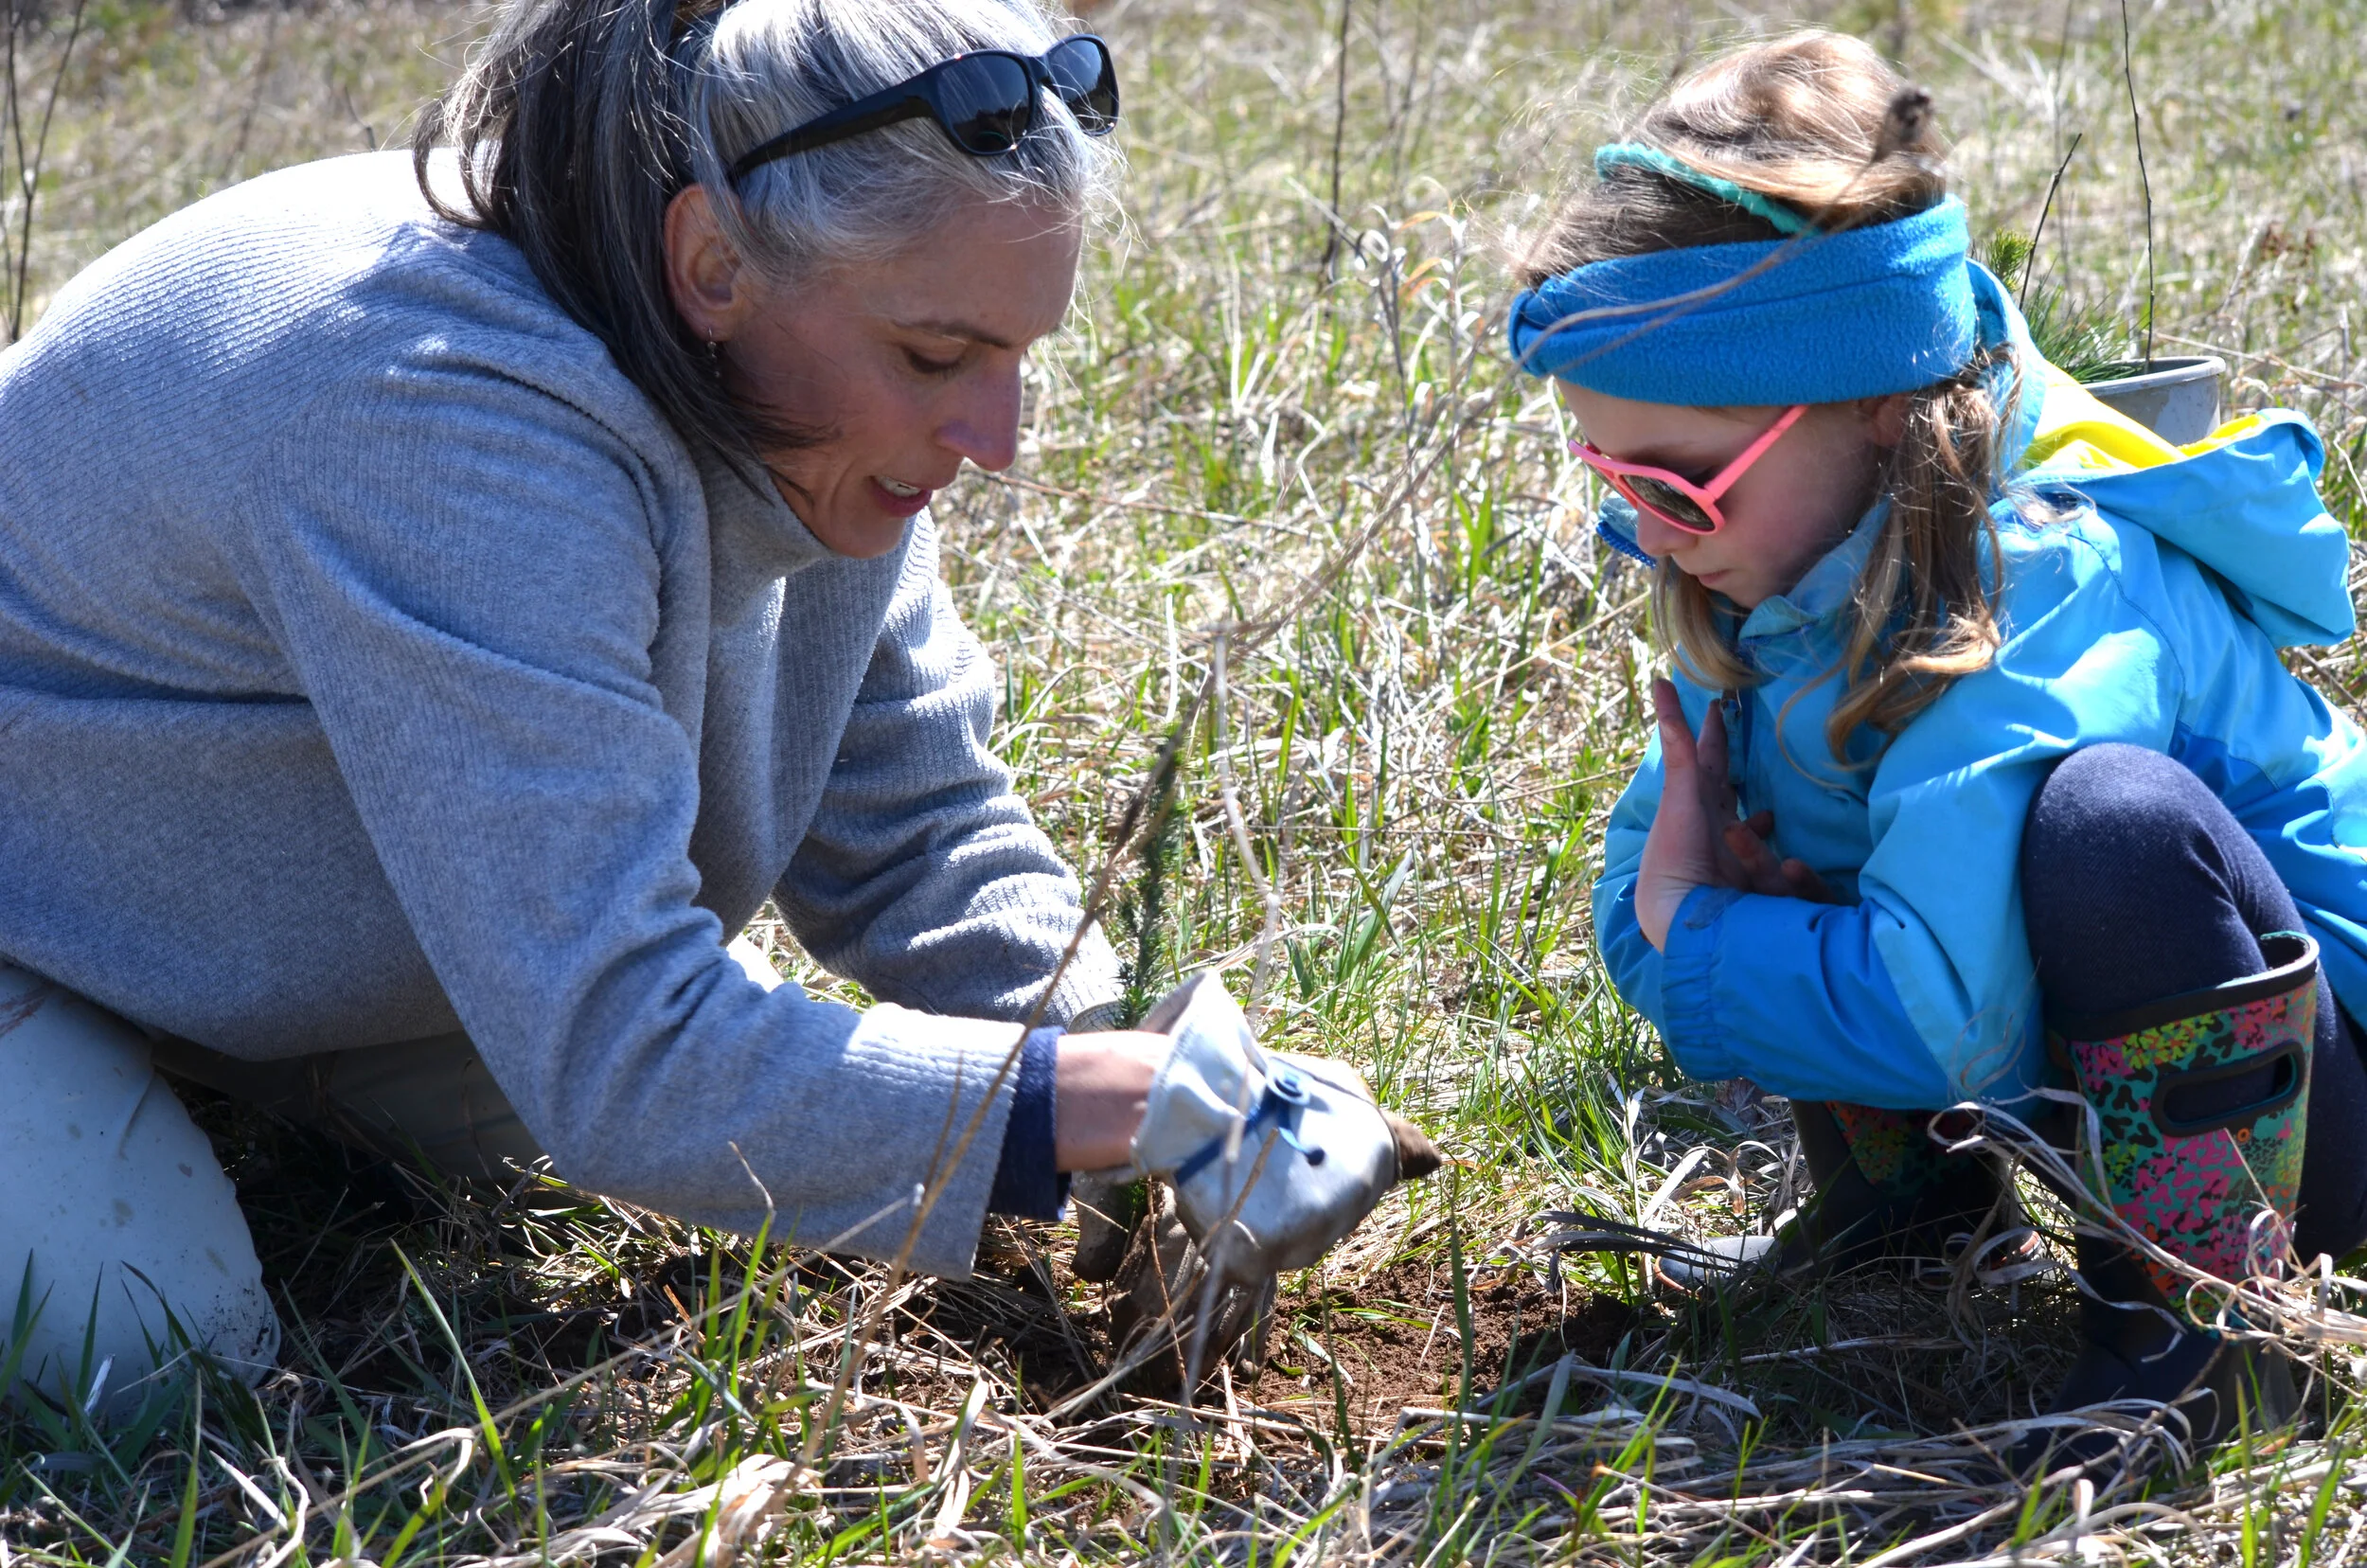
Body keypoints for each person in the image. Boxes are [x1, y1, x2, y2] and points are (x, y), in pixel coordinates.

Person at [0, 0, 1419, 1417]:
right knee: (153, 1369)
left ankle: (196, 1085)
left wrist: (1134, 1060)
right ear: (709, 260)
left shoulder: (783, 394)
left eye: (1014, 356)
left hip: (217, 912)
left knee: (587, 1150)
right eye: (936, 357)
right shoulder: (439, 415)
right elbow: (627, 1056)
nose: (999, 440)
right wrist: (1094, 1103)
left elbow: (916, 821)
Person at [1506, 31, 2367, 1464]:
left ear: (1879, 402)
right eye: (1605, 471)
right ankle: (1913, 1215)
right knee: (1798, 818)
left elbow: (1934, 1010)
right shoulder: (1776, 568)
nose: (1644, 526)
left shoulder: (2047, 583)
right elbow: (1654, 897)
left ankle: (2213, 1335)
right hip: (2126, 1100)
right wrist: (1708, 902)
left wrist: (1695, 917)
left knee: (2110, 823)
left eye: (1672, 477)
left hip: (2332, 1117)